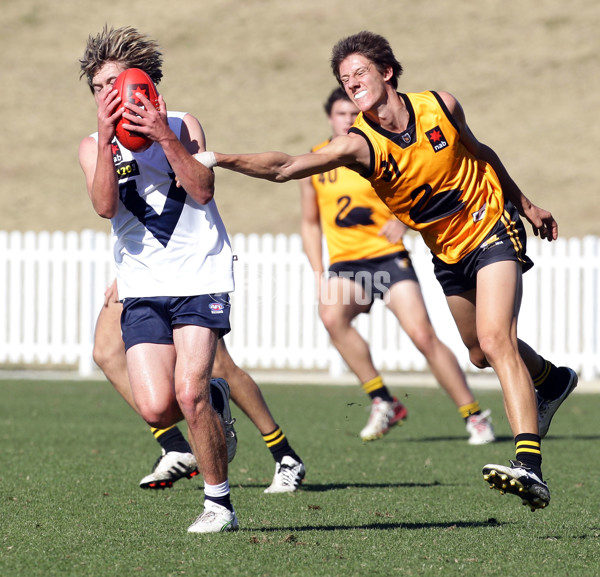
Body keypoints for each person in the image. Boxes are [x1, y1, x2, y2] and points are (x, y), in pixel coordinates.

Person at [195, 31, 578, 511]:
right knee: (480, 350)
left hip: (492, 224)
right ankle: (551, 380)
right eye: (344, 79)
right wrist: (216, 158)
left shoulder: (441, 105)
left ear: (387, 72)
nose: (352, 83)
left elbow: (481, 152)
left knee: (497, 337)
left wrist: (526, 204)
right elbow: (288, 166)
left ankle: (529, 466)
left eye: (359, 72)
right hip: (447, 250)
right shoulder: (359, 145)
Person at [78, 25, 240, 533]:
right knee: (157, 405)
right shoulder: (90, 146)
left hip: (200, 272)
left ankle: (219, 505)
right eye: (100, 89)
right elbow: (105, 206)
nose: (110, 95)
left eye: (117, 84)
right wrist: (108, 142)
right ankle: (216, 399)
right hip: (143, 284)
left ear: (142, 85)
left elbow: (202, 190)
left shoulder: (183, 122)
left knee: (187, 392)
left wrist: (164, 136)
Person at [300, 87, 495, 445]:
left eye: (352, 114)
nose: (347, 119)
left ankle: (474, 415)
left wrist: (405, 223)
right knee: (331, 316)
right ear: (330, 118)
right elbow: (310, 222)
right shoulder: (320, 161)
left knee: (423, 336)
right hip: (347, 263)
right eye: (340, 114)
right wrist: (318, 272)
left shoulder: (374, 148)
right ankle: (382, 400)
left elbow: (420, 185)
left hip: (388, 256)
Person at [93, 279, 305, 493]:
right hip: (139, 267)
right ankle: (175, 446)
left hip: (187, 264)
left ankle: (284, 454)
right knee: (107, 353)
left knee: (220, 366)